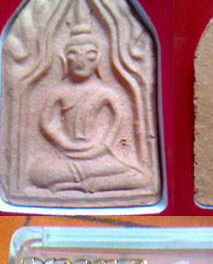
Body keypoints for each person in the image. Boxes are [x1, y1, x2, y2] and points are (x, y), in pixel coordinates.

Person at [30, 22, 146, 193]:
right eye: (73, 55)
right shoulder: (58, 92)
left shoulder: (105, 92)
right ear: (64, 59)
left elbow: (118, 118)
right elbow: (46, 122)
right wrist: (63, 142)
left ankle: (84, 184)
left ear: (98, 59)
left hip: (98, 154)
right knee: (38, 173)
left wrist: (103, 146)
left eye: (89, 55)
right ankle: (88, 181)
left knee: (142, 178)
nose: (81, 61)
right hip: (65, 155)